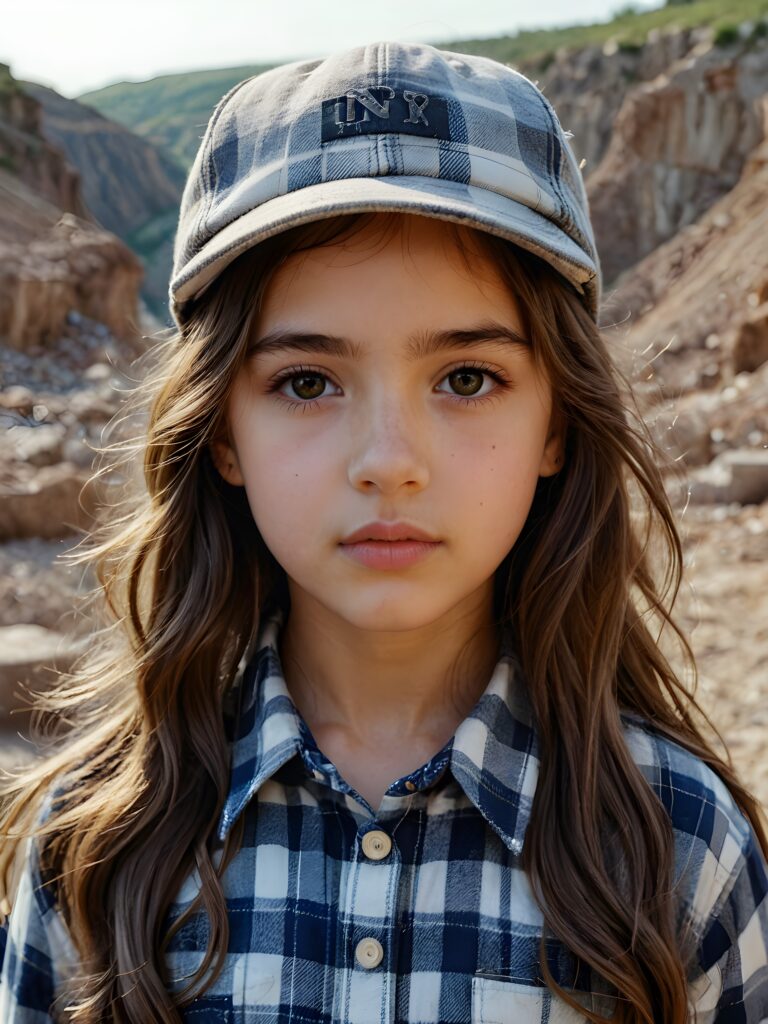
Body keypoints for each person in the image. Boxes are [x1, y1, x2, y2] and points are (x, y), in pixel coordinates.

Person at [0, 39, 766, 1024]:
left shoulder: (680, 850)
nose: (390, 459)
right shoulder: (99, 845)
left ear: (558, 424)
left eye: (466, 378)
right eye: (307, 382)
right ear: (223, 431)